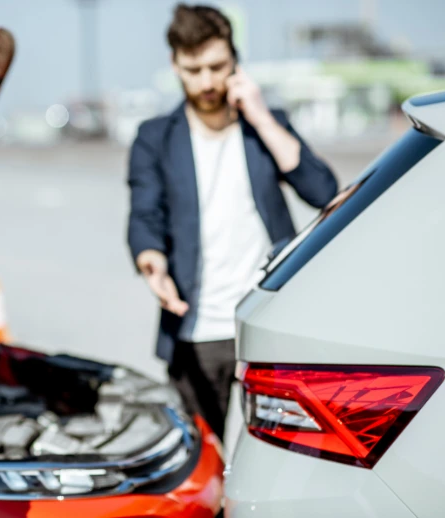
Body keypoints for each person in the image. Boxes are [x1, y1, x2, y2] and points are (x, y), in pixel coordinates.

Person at [127, 4, 338, 440]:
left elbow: (323, 192)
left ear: (236, 62)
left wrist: (260, 116)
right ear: (175, 66)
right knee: (204, 467)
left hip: (266, 323)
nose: (206, 81)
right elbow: (144, 212)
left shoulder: (265, 126)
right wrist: (153, 263)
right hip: (195, 331)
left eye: (217, 67)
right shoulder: (156, 138)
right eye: (194, 69)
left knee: (281, 458)